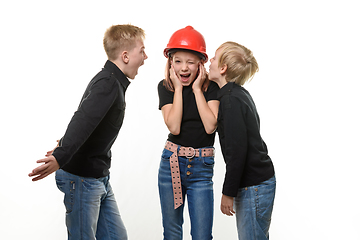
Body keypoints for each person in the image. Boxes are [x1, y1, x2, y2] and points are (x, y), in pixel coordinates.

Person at [28, 24, 147, 240]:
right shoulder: (109, 83)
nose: (145, 57)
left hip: (98, 177)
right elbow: (82, 120)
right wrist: (60, 156)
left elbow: (91, 123)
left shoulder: (112, 81)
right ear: (126, 56)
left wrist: (64, 143)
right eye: (142, 51)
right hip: (81, 179)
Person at [208, 41, 276, 240]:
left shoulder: (230, 102)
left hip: (253, 186)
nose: (209, 60)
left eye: (214, 57)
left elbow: (237, 151)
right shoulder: (237, 94)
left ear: (223, 68)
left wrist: (227, 193)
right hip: (259, 182)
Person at [157, 26, 220, 240]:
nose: (184, 68)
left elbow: (211, 125)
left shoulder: (211, 87)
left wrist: (195, 89)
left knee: (203, 236)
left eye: (190, 62)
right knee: (172, 233)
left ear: (200, 64)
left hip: (202, 168)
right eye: (178, 61)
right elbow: (173, 127)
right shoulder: (165, 87)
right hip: (171, 164)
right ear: (170, 62)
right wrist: (178, 90)